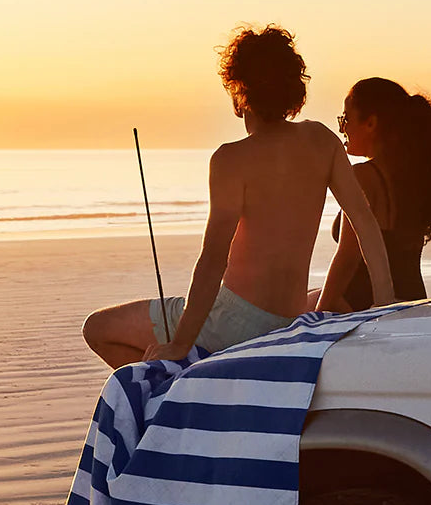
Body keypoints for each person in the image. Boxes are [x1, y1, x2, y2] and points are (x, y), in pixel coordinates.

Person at [82, 26, 394, 368]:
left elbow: (213, 258)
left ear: (238, 89)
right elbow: (364, 220)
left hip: (231, 323)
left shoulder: (231, 159)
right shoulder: (322, 140)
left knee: (97, 327)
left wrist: (181, 343)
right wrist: (385, 301)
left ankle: (174, 401)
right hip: (287, 319)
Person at [315, 77, 431, 312]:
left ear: (371, 123)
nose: (342, 127)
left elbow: (347, 259)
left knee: (292, 311)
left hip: (367, 305)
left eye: (346, 118)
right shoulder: (415, 176)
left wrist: (317, 315)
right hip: (413, 300)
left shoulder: (365, 177)